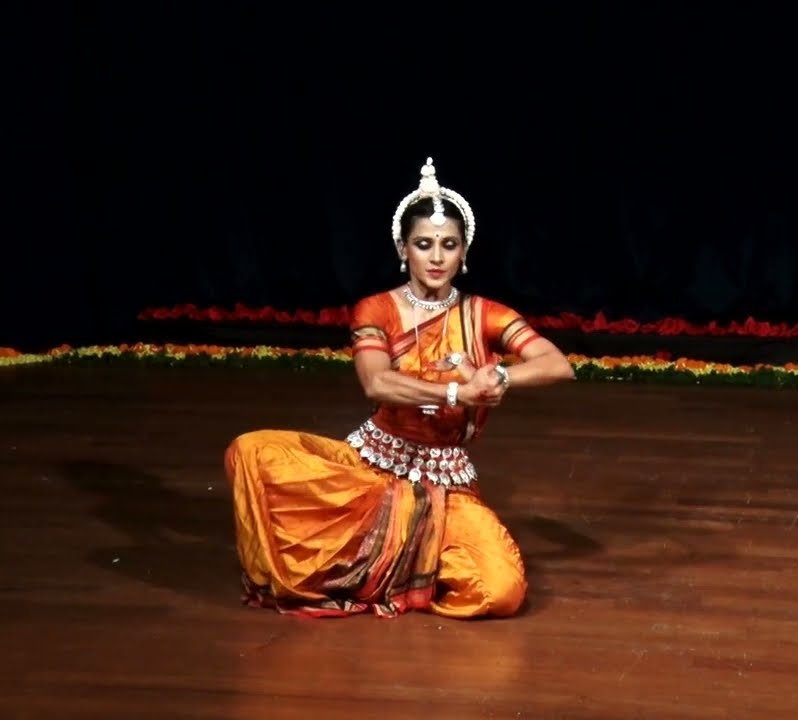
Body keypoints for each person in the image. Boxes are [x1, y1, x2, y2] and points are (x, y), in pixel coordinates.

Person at [224, 157, 575, 619]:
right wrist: (456, 393)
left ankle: (403, 559)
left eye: (448, 245)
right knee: (251, 451)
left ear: (464, 252)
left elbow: (558, 364)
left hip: (444, 484)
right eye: (423, 244)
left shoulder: (483, 314)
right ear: (402, 249)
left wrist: (500, 376)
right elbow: (376, 382)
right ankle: (400, 562)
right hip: (374, 468)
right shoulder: (377, 309)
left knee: (501, 590)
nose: (435, 257)